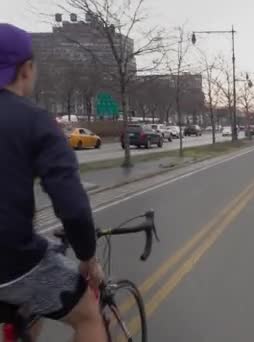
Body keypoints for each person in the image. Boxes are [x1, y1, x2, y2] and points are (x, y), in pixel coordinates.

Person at [0, 24, 106, 341]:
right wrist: (87, 258)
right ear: (26, 69)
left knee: (26, 311)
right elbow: (71, 204)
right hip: (11, 262)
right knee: (88, 314)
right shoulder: (35, 120)